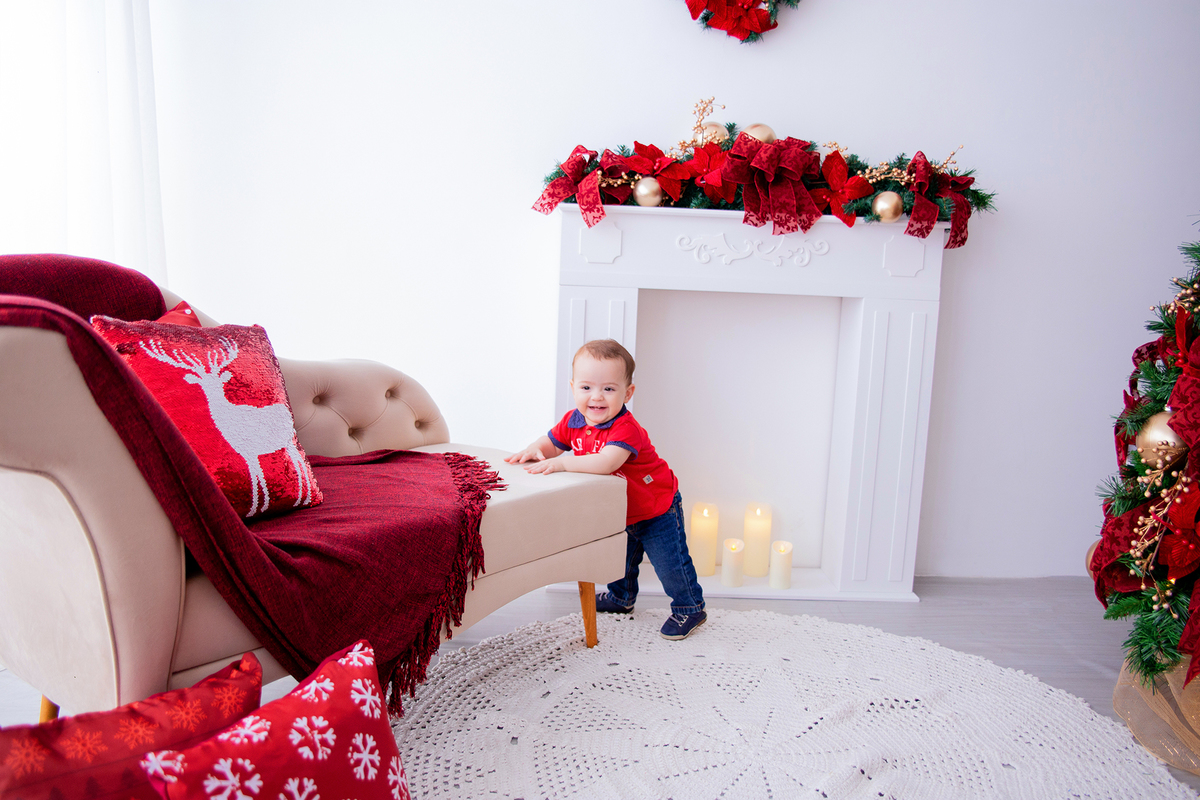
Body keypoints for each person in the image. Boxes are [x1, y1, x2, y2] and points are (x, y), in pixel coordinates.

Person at [505, 339, 706, 640]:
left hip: (656, 507)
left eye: (609, 389)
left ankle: (690, 607)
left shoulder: (626, 428)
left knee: (670, 563)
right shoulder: (573, 420)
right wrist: (534, 450)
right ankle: (621, 598)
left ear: (628, 393)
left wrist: (562, 464)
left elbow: (605, 462)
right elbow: (551, 442)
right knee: (620, 560)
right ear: (573, 387)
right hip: (620, 510)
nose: (596, 397)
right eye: (586, 388)